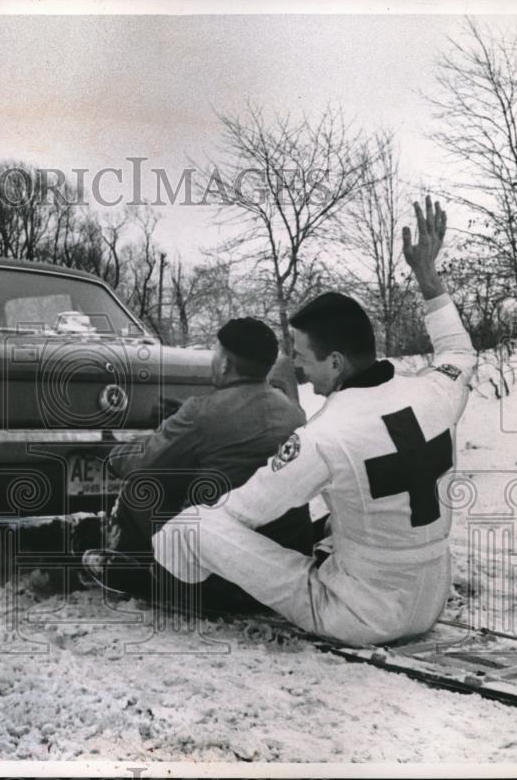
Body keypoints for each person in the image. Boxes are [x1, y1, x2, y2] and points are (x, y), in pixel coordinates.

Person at [88, 197, 475, 645]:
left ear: (334, 361)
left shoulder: (324, 435)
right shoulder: (434, 391)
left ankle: (161, 582)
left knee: (198, 524)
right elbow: (458, 353)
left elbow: (241, 513)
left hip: (359, 615)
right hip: (430, 599)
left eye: (301, 354)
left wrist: (173, 547)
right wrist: (428, 276)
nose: (293, 366)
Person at [79, 316, 315, 609]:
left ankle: (154, 575)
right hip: (281, 551)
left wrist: (109, 451)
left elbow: (143, 461)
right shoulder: (293, 412)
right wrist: (181, 419)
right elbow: (237, 427)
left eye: (216, 353)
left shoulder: (202, 412)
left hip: (222, 559)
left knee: (140, 488)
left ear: (226, 364)